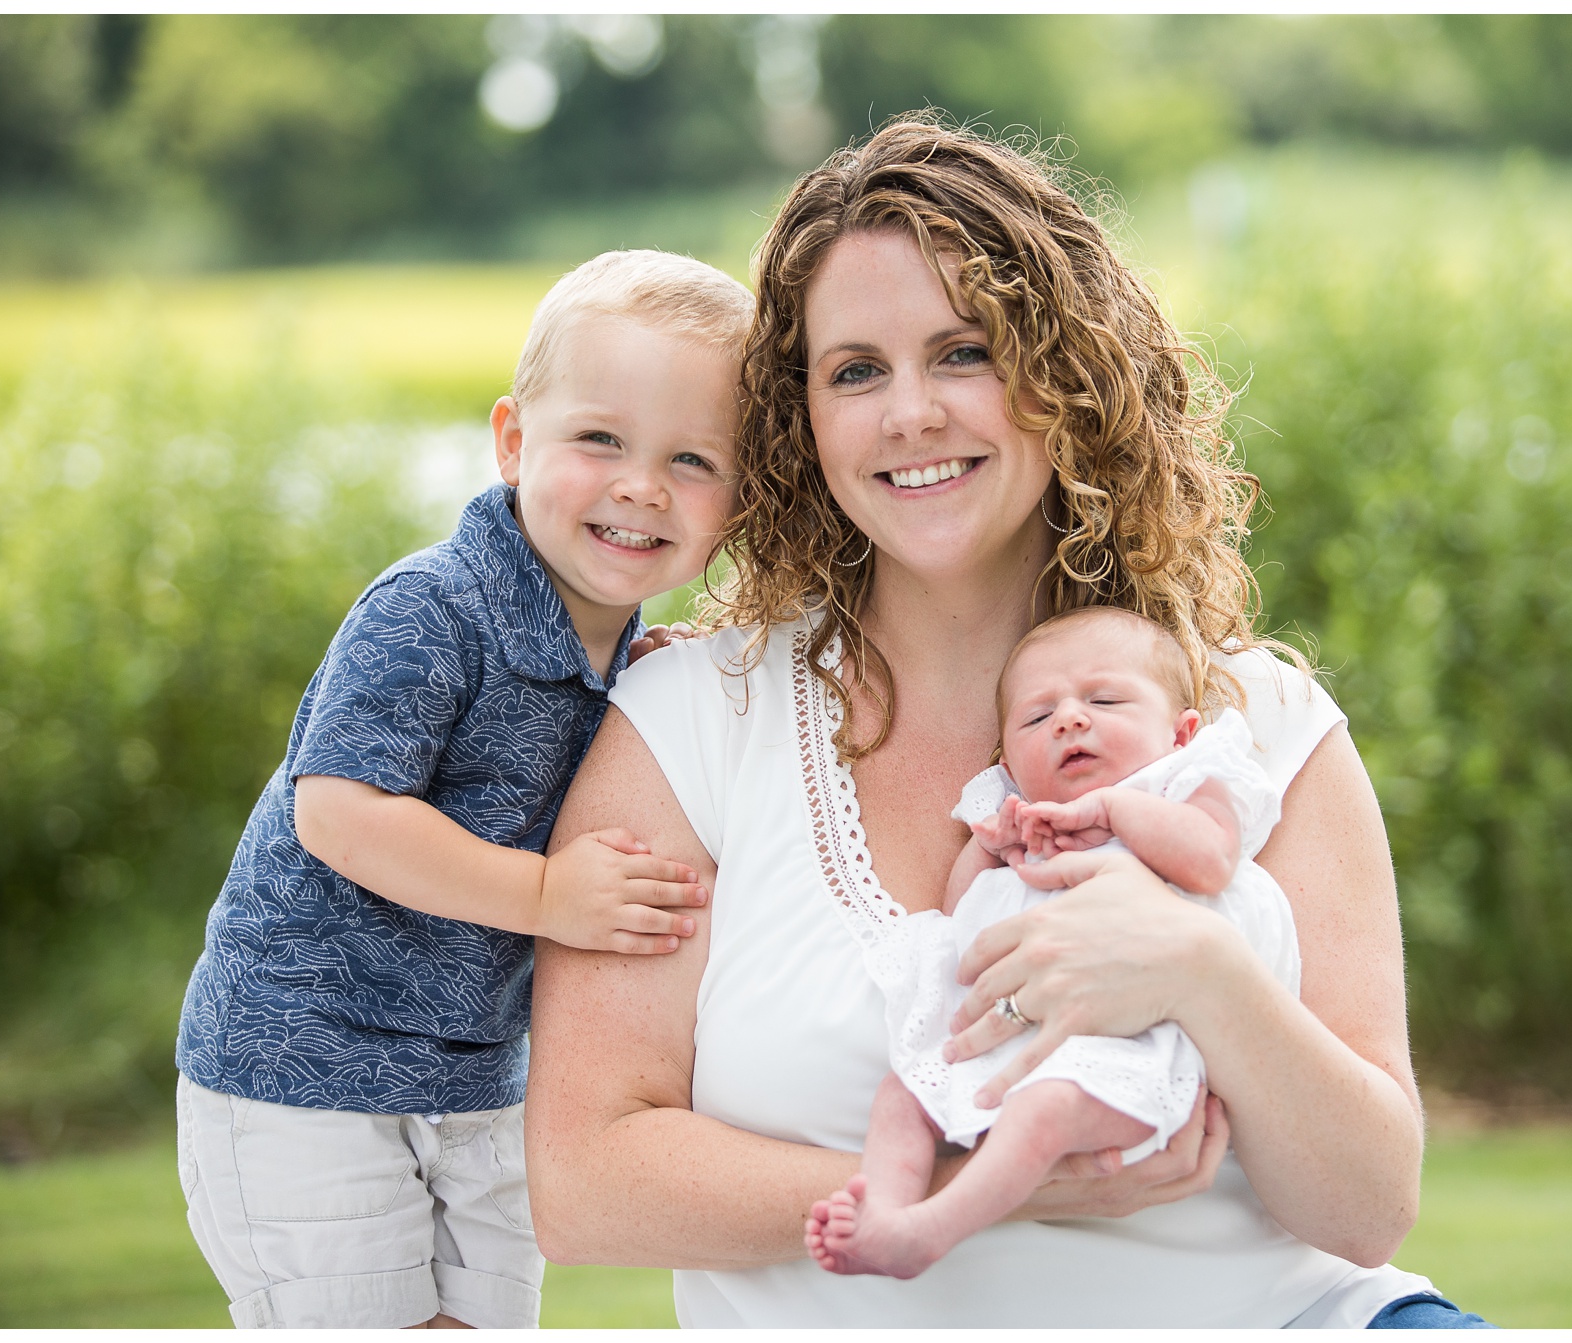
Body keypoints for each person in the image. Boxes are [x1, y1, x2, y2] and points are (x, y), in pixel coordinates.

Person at [527, 118, 1493, 1327]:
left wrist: (1194, 964)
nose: (909, 412)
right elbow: (582, 1182)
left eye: (963, 351)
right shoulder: (691, 722)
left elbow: (1365, 1204)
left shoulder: (1256, 723)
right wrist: (989, 1183)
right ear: (798, 417)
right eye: (855, 370)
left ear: (1064, 374)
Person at [172, 250, 748, 1329]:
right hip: (302, 1061)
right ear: (512, 440)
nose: (640, 484)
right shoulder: (430, 608)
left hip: (471, 1076)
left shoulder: (632, 657)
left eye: (693, 459)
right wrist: (544, 896)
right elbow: (336, 810)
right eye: (599, 440)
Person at [805, 606, 1303, 1279]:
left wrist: (1111, 809)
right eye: (1038, 717)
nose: (1070, 718)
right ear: (1009, 757)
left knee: (1044, 1110)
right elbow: (963, 924)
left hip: (1125, 1054)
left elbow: (1211, 861)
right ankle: (885, 1211)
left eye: (1105, 700)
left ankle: (931, 1228)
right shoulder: (1019, 815)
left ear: (1181, 732)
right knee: (904, 1093)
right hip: (1014, 1042)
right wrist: (991, 851)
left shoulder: (1183, 784)